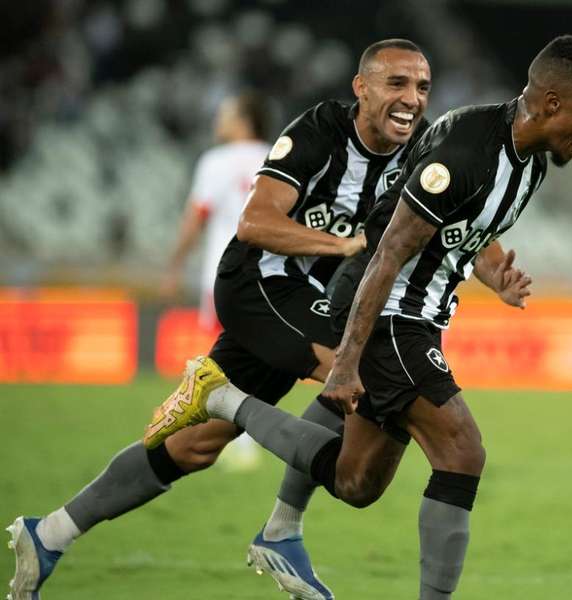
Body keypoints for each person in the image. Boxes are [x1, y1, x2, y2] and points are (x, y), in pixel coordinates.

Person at [140, 34, 572, 599]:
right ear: (554, 104)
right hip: (389, 313)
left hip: (422, 317)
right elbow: (388, 252)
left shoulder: (532, 163)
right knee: (462, 452)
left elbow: (463, 237)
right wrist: (346, 360)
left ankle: (223, 401)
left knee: (356, 481)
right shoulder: (467, 149)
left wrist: (497, 276)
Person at [7, 38, 433, 600]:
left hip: (304, 300)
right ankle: (282, 530)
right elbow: (255, 223)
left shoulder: (419, 150)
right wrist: (339, 244)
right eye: (397, 84)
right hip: (258, 285)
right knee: (361, 369)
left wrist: (495, 266)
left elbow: (453, 204)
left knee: (193, 446)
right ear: (362, 88)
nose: (412, 99)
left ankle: (51, 534)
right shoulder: (319, 133)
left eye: (422, 87)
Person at [160, 91, 271, 471]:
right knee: (258, 358)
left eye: (224, 113)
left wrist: (174, 265)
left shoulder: (215, 161)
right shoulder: (279, 155)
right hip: (271, 275)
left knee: (226, 359)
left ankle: (236, 441)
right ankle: (249, 435)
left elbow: (196, 218)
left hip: (225, 276)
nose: (217, 120)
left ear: (243, 119)